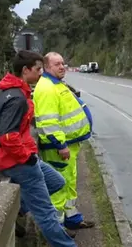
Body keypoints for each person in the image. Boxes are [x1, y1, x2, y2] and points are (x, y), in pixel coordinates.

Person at [0, 50, 97, 247]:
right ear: (25, 70)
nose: (41, 74)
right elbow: (6, 137)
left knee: (57, 182)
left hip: (24, 159)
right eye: (38, 70)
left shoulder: (14, 92)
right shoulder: (16, 99)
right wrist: (27, 157)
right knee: (46, 213)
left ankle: (17, 209)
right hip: (20, 163)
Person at [33, 52, 95, 230]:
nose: (62, 67)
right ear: (46, 67)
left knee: (69, 182)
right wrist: (60, 145)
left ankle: (72, 218)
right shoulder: (46, 88)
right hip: (58, 148)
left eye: (63, 63)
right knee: (59, 187)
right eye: (56, 64)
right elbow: (48, 122)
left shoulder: (56, 83)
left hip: (69, 144)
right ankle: (58, 228)